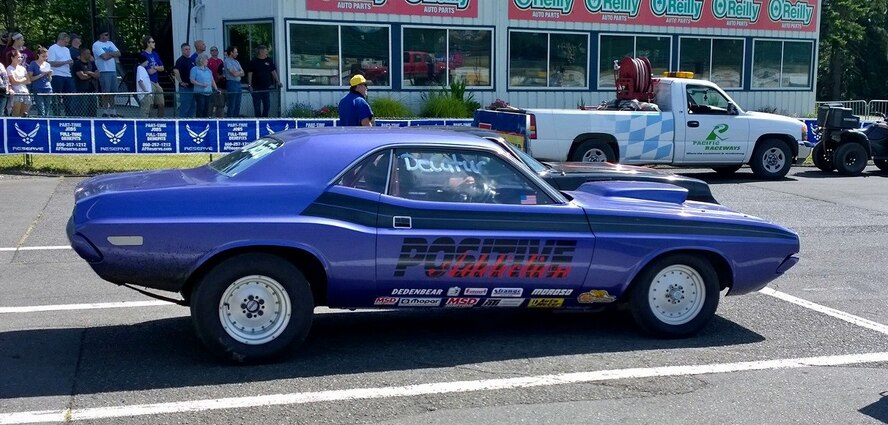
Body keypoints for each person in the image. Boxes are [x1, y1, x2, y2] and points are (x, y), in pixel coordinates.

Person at [92, 29, 122, 117]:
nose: (107, 36)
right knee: (106, 91)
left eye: (108, 35)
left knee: (113, 92)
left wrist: (109, 54)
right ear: (101, 35)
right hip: (104, 70)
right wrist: (112, 54)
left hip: (113, 70)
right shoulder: (96, 45)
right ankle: (105, 111)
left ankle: (112, 110)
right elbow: (104, 57)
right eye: (106, 34)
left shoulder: (110, 43)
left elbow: (119, 53)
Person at [247, 45, 280, 117]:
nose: (267, 53)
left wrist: (278, 81)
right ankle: (258, 120)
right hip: (256, 87)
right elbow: (250, 74)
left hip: (265, 87)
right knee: (257, 105)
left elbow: (273, 71)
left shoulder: (269, 60)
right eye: (265, 51)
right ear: (260, 52)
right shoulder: (253, 61)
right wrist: (249, 85)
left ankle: (264, 119)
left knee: (267, 105)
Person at [47, 32, 75, 115]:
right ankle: (57, 114)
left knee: (69, 96)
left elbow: (69, 61)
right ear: (61, 40)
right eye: (65, 42)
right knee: (57, 96)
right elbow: (51, 62)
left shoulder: (67, 49)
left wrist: (70, 63)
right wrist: (65, 62)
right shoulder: (53, 48)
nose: (67, 44)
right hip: (57, 74)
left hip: (67, 74)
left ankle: (69, 114)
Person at [139, 35, 165, 117]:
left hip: (156, 82)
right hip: (149, 82)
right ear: (148, 43)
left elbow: (162, 68)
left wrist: (155, 67)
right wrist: (157, 68)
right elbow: (150, 72)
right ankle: (149, 121)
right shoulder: (143, 55)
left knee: (161, 104)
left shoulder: (155, 54)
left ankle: (160, 120)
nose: (154, 43)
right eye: (152, 42)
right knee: (150, 104)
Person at [72, 46, 99, 117]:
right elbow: (82, 77)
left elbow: (98, 75)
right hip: (81, 90)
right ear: (83, 54)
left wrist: (89, 73)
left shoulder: (92, 63)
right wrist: (92, 75)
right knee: (83, 110)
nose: (90, 55)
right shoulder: (77, 64)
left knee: (93, 110)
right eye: (88, 53)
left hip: (92, 89)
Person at [190, 54, 219, 118]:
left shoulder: (208, 70)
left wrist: (216, 89)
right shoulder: (195, 69)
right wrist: (201, 84)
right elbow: (192, 80)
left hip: (208, 92)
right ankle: (199, 122)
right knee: (200, 109)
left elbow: (212, 80)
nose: (207, 61)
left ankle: (205, 122)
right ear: (201, 60)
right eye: (206, 60)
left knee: (207, 110)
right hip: (199, 93)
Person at [28, 46, 53, 116]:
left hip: (48, 88)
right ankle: (41, 121)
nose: (45, 58)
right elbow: (30, 78)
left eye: (46, 56)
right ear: (38, 55)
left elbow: (50, 80)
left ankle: (47, 121)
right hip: (37, 88)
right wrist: (42, 74)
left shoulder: (48, 64)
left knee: (47, 110)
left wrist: (49, 75)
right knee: (41, 110)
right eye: (43, 56)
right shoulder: (33, 64)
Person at [6, 50, 32, 117]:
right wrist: (24, 79)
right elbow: (14, 82)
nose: (20, 59)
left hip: (25, 92)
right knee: (16, 114)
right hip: (16, 93)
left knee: (24, 114)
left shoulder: (23, 68)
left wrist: (19, 80)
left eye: (21, 57)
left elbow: (29, 81)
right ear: (12, 58)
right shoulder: (9, 68)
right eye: (18, 57)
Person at [173, 42, 195, 117]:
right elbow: (176, 71)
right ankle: (182, 122)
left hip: (193, 87)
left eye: (189, 49)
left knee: (192, 107)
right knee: (185, 107)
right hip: (185, 88)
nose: (188, 51)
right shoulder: (180, 61)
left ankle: (190, 122)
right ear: (182, 50)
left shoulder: (191, 60)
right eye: (186, 49)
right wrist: (181, 82)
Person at [223, 46, 244, 118]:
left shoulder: (236, 62)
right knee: (232, 104)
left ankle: (236, 119)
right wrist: (239, 72)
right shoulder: (227, 61)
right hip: (231, 83)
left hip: (238, 83)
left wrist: (238, 72)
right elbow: (234, 74)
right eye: (236, 52)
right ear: (231, 52)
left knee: (238, 104)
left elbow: (243, 73)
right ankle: (230, 120)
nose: (237, 54)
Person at [208, 45, 225, 117]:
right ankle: (209, 118)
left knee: (220, 103)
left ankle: (219, 118)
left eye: (215, 50)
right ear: (210, 52)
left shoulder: (221, 61)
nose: (214, 51)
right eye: (212, 50)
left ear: (218, 52)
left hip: (220, 85)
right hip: (211, 85)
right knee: (211, 103)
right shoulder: (208, 61)